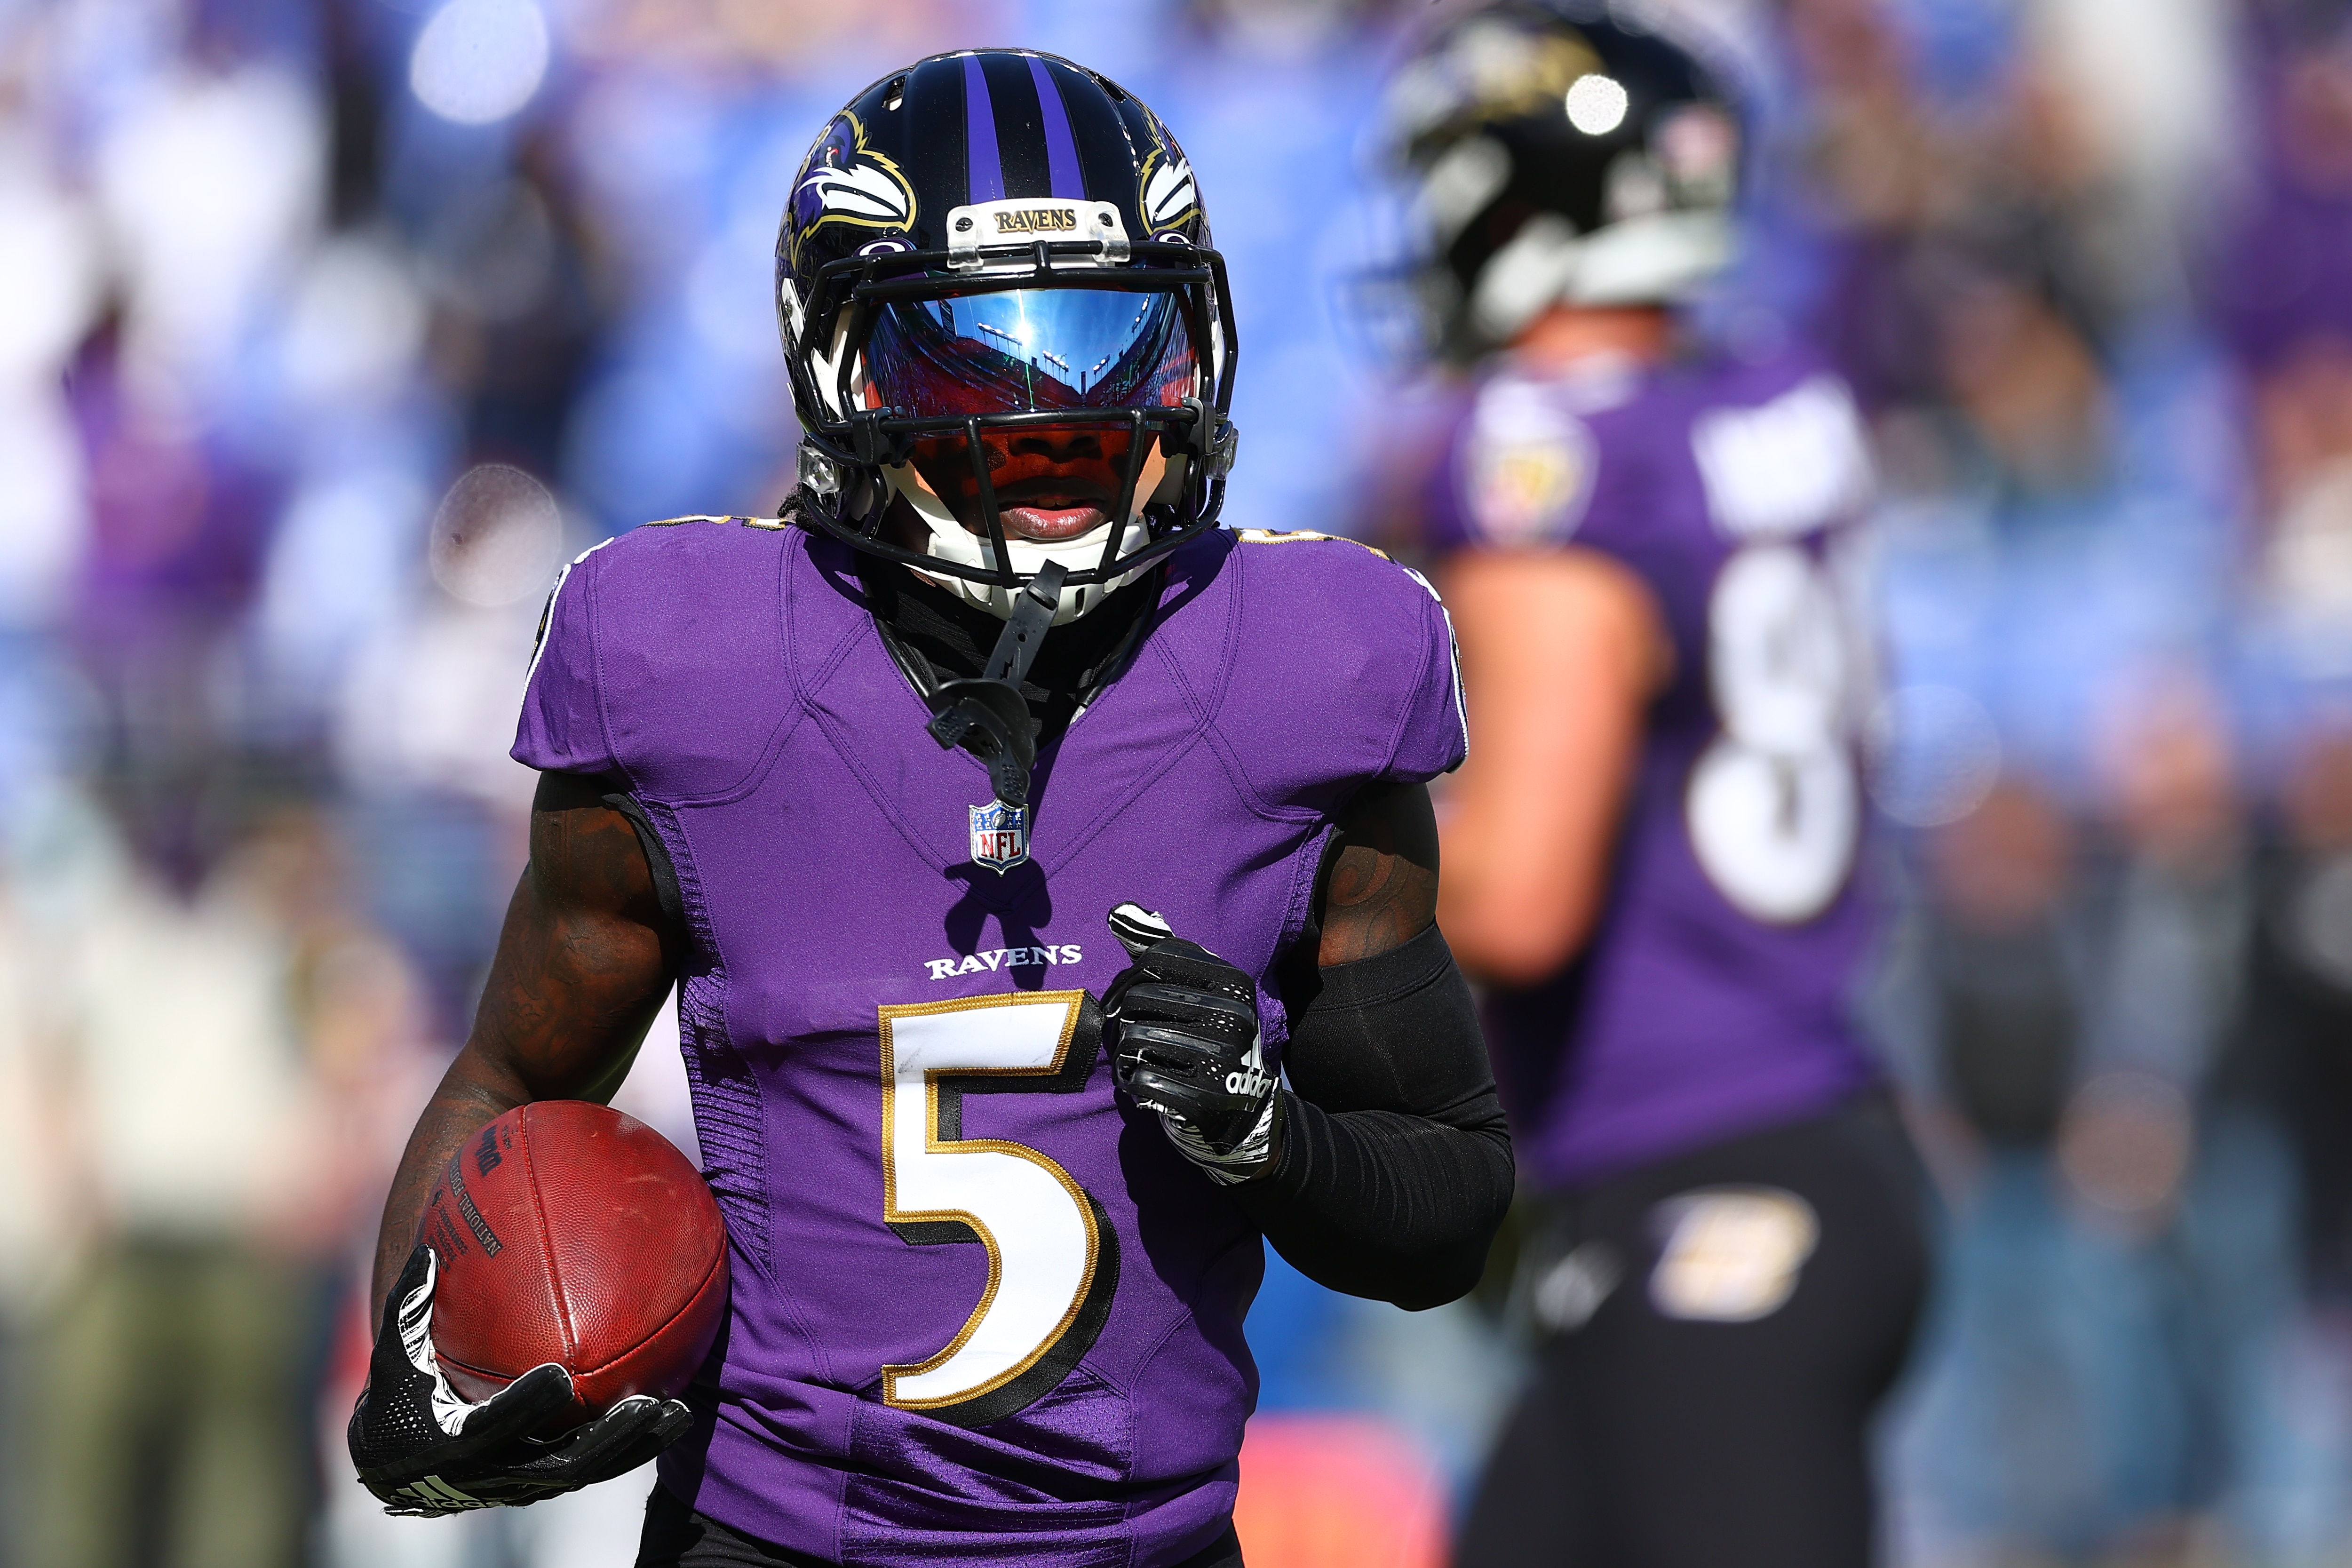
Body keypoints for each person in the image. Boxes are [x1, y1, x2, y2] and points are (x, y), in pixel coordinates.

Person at [344, 48, 1512, 1568]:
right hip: (777, 1542)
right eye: (976, 361)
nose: (1061, 425)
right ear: (841, 368)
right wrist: (418, 1377)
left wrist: (1273, 1141)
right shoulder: (689, 670)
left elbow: (1452, 1202)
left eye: (1113, 346)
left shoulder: (1309, 673)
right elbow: (509, 1085)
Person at [1381, 7, 1931, 1565]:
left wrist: (1282, 857)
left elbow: (1523, 894)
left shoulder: (1549, 455)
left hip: (1702, 1176)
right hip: (1799, 1143)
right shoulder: (1765, 399)